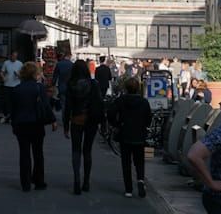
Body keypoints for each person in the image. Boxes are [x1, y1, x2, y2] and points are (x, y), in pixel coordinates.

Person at [9, 61, 55, 191]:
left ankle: (25, 183)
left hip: (21, 125)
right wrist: (53, 120)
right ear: (35, 74)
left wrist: (14, 125)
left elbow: (13, 110)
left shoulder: (17, 89)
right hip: (36, 124)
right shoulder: (39, 88)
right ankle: (39, 181)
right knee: (38, 153)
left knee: (24, 154)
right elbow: (45, 106)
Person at [63, 58, 104, 194]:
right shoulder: (93, 84)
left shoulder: (71, 84)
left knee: (76, 150)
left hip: (76, 119)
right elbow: (99, 104)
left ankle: (76, 180)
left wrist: (65, 125)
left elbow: (67, 106)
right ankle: (86, 181)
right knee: (87, 150)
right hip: (91, 120)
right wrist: (101, 122)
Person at [108, 75, 153, 198]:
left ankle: (128, 189)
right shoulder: (144, 102)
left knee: (126, 162)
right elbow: (149, 118)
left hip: (125, 133)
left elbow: (110, 113)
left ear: (126, 88)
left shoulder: (121, 100)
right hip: (139, 134)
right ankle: (140, 179)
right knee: (139, 160)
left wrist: (116, 124)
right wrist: (145, 126)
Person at [0, 50, 23, 124]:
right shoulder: (6, 63)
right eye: (13, 56)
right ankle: (5, 116)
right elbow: (1, 72)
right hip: (7, 85)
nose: (14, 58)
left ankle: (12, 117)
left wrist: (18, 75)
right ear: (10, 56)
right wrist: (3, 77)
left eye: (16, 56)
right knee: (6, 101)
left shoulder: (20, 64)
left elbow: (23, 75)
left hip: (16, 85)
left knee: (15, 102)